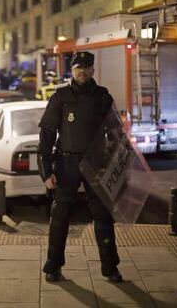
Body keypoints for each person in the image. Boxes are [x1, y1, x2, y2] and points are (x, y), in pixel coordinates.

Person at [37, 51, 123, 283]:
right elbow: (46, 135)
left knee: (103, 217)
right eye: (78, 67)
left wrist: (113, 164)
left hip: (95, 164)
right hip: (67, 164)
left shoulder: (102, 96)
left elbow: (116, 133)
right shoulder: (61, 96)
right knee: (60, 216)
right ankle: (53, 266)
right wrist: (46, 172)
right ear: (71, 70)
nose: (82, 71)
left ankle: (110, 267)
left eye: (86, 67)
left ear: (93, 69)